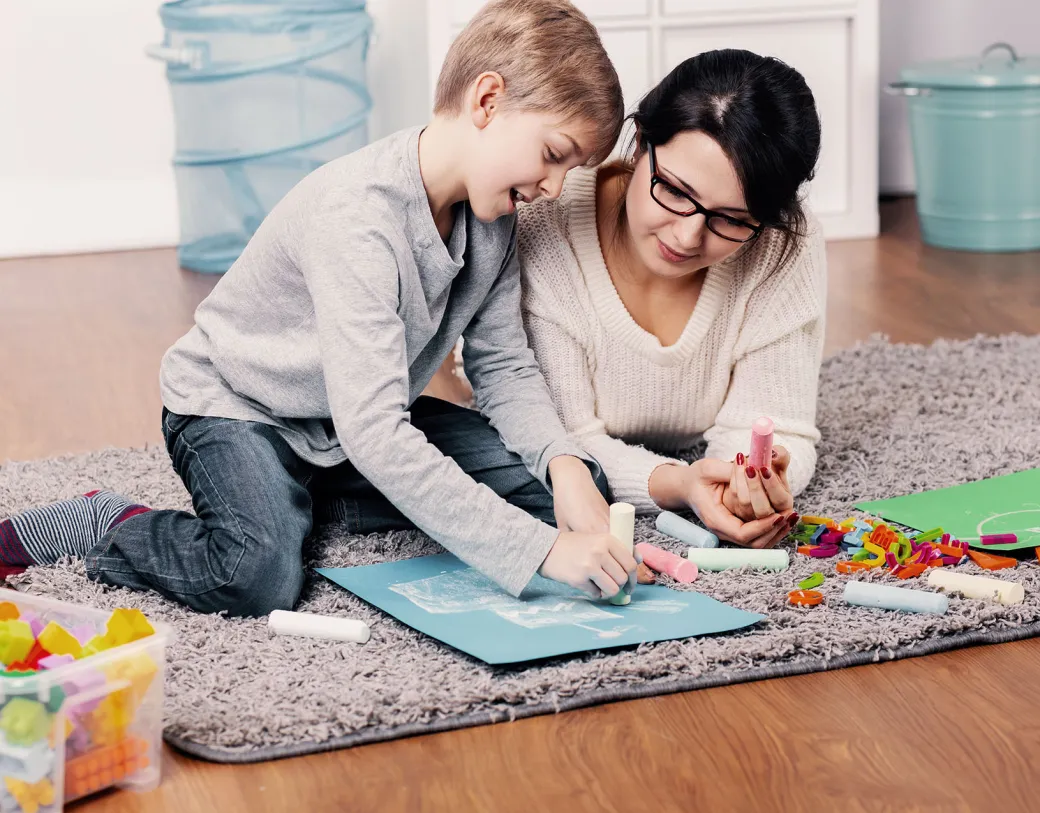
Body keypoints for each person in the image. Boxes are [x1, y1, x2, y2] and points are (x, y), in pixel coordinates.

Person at [0, 0, 635, 613]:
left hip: (346, 425)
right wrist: (539, 553)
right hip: (239, 411)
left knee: (567, 494)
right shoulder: (358, 216)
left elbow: (504, 368)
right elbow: (378, 433)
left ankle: (298, 504)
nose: (553, 189)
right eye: (553, 155)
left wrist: (564, 465)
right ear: (487, 100)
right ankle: (107, 523)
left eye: (570, 170)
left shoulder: (495, 223)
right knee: (258, 573)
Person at [517, 49, 826, 549]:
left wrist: (746, 485)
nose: (686, 237)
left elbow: (778, 424)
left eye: (731, 219)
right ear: (640, 143)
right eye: (676, 191)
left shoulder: (781, 242)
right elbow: (561, 444)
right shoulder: (546, 220)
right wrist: (681, 484)